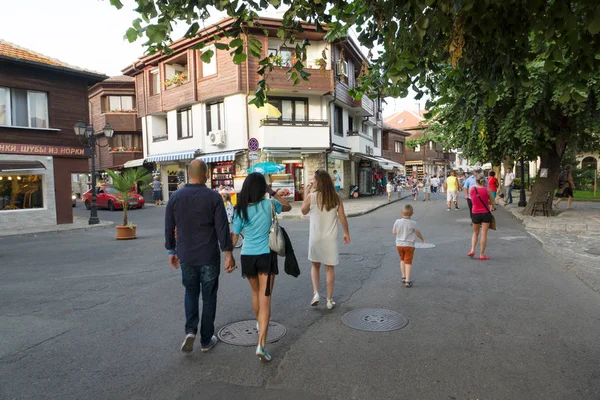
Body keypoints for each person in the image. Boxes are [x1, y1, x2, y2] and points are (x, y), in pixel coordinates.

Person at [165, 160, 236, 354]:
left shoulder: (176, 197)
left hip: (186, 254)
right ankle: (206, 340)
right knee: (209, 296)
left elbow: (169, 226)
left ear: (189, 173)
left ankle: (190, 331)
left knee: (190, 292)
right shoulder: (213, 197)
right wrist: (228, 254)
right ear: (205, 174)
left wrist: (171, 251)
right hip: (208, 255)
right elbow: (222, 229)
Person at [231, 172, 292, 362]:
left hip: (247, 256)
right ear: (262, 189)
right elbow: (288, 206)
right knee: (266, 300)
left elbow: (233, 238)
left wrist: (228, 256)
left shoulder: (239, 209)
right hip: (266, 255)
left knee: (255, 293)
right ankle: (261, 344)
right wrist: (272, 192)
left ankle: (259, 324)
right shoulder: (269, 204)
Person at [301, 170, 350, 310]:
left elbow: (303, 211)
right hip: (330, 239)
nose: (313, 182)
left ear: (319, 182)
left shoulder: (312, 196)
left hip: (315, 238)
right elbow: (342, 217)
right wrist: (346, 232)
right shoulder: (336, 198)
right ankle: (329, 300)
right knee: (329, 269)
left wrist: (306, 193)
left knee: (315, 266)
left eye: (314, 180)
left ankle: (316, 293)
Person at [393, 204, 425, 288]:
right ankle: (407, 280)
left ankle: (403, 276)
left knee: (402, 260)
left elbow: (394, 232)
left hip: (399, 245)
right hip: (409, 245)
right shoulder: (413, 223)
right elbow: (417, 233)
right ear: (412, 213)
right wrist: (422, 239)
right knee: (408, 262)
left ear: (401, 213)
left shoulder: (397, 221)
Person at [468, 176, 495, 260]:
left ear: (476, 181)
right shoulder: (487, 190)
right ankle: (482, 255)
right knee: (484, 234)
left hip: (475, 213)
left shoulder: (472, 189)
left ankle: (472, 250)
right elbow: (492, 201)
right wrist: (489, 203)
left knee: (475, 232)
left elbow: (472, 200)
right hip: (485, 213)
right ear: (484, 181)